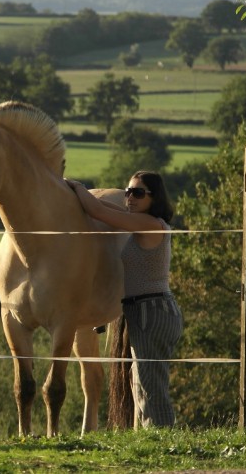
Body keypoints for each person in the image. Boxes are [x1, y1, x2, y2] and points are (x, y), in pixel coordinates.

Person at [67, 170, 183, 428]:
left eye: (138, 193)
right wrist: (82, 194)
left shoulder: (150, 224)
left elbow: (100, 212)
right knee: (141, 382)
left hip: (151, 311)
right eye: (128, 191)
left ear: (154, 198)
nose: (130, 197)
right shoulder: (145, 221)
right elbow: (105, 207)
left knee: (150, 386)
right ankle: (152, 439)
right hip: (145, 311)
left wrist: (75, 187)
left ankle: (162, 442)